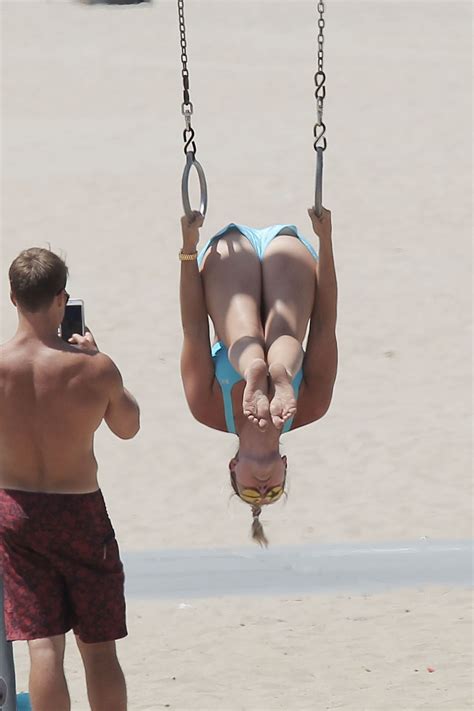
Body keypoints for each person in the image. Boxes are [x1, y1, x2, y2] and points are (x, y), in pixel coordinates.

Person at [0, 248, 140, 711]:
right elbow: (128, 426)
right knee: (99, 648)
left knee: (43, 646)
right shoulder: (93, 369)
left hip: (17, 513)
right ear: (62, 299)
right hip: (79, 511)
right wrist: (99, 357)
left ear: (13, 297)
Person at [179, 206, 338, 545]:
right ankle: (277, 371)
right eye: (275, 491)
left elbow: (193, 328)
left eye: (250, 493)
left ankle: (255, 367)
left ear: (233, 466)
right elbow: (325, 324)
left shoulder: (208, 410)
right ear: (284, 465)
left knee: (241, 332)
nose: (263, 490)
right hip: (289, 256)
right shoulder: (312, 407)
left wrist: (189, 249)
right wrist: (326, 242)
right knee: (285, 333)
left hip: (231, 260)